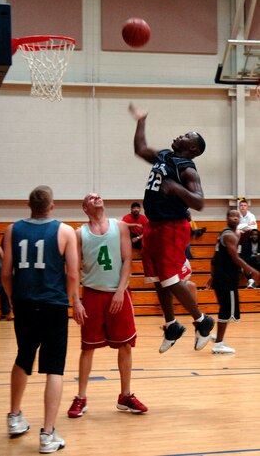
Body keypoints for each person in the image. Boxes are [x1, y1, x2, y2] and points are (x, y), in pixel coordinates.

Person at [129, 103, 214, 353]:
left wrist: (177, 189)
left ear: (192, 148)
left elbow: (199, 202)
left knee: (170, 279)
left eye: (187, 136)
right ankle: (171, 324)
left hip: (172, 227)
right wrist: (141, 120)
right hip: (153, 226)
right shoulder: (166, 155)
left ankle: (202, 320)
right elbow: (140, 148)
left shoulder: (187, 169)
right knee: (157, 279)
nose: (181, 135)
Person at [1, 185, 79, 454]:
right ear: (52, 206)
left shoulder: (12, 230)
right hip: (53, 304)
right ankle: (47, 435)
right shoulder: (65, 231)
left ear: (28, 204)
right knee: (54, 367)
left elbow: (5, 273)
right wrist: (71, 300)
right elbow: (72, 274)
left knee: (23, 357)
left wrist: (14, 299)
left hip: (24, 303)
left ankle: (14, 418)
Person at [68, 193, 147, 418]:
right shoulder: (79, 234)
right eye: (91, 198)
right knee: (88, 347)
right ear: (85, 208)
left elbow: (128, 260)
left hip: (118, 294)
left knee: (125, 345)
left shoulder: (120, 227)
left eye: (98, 196)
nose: (96, 197)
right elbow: (73, 271)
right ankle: (81, 398)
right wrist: (76, 301)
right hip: (92, 294)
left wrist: (121, 290)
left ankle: (125, 395)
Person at [206, 209, 260, 354]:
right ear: (227, 218)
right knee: (227, 310)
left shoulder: (223, 234)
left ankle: (218, 336)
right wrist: (253, 271)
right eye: (232, 216)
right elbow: (236, 258)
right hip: (227, 279)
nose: (235, 218)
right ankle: (218, 344)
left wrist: (212, 275)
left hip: (221, 277)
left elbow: (214, 258)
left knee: (228, 309)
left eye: (237, 216)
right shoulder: (230, 235)